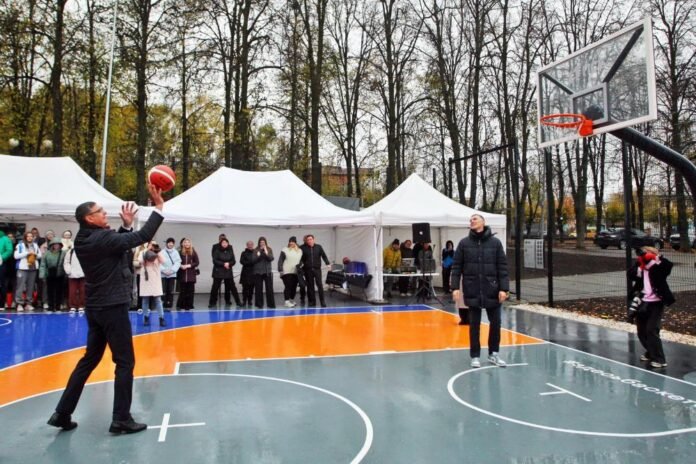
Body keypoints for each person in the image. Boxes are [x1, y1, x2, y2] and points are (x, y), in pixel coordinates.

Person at [47, 184, 164, 434]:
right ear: (89, 218)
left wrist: (126, 225)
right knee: (125, 362)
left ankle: (62, 413)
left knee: (89, 359)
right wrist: (159, 208)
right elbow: (139, 239)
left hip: (96, 307)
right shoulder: (101, 237)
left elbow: (117, 247)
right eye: (100, 212)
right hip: (112, 307)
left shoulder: (84, 238)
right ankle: (121, 418)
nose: (104, 214)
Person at [451, 213, 509, 368]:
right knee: (474, 325)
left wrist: (504, 288)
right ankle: (475, 355)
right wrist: (455, 287)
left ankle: (493, 354)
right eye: (470, 219)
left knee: (496, 323)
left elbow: (502, 268)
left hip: (492, 289)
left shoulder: (495, 243)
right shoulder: (464, 243)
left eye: (475, 219)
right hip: (472, 288)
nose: (472, 221)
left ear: (483, 222)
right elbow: (456, 267)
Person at [628, 246, 675, 369]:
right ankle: (651, 352)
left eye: (647, 254)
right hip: (643, 302)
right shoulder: (641, 266)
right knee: (641, 331)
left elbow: (668, 267)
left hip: (656, 303)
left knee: (651, 330)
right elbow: (631, 274)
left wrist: (656, 258)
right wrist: (641, 264)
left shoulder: (658, 266)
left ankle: (660, 359)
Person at [209, 238, 242, 308]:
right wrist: (224, 264)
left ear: (227, 243)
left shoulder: (230, 250)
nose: (224, 244)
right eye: (223, 243)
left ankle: (238, 302)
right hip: (218, 272)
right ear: (221, 244)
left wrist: (229, 264)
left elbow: (233, 261)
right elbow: (214, 260)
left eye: (226, 243)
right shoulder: (217, 250)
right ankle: (212, 302)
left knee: (233, 287)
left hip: (228, 271)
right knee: (215, 288)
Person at [14, 231, 41, 311]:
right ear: (25, 237)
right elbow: (16, 256)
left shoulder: (35, 245)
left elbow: (40, 255)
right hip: (22, 268)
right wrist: (27, 253)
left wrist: (35, 255)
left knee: (31, 287)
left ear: (33, 237)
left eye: (31, 236)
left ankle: (28, 303)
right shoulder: (20, 245)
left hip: (33, 268)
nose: (30, 237)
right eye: (28, 236)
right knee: (20, 287)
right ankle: (19, 304)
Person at [300, 234, 330, 307]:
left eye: (311, 239)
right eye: (308, 240)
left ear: (314, 239)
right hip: (307, 270)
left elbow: (324, 256)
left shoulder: (318, 247)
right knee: (310, 286)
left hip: (317, 270)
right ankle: (312, 301)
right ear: (306, 241)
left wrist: (327, 263)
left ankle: (322, 301)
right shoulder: (303, 248)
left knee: (320, 285)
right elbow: (300, 258)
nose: (309, 241)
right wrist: (300, 265)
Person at [39, 237, 66, 312]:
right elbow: (43, 264)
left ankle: (58, 306)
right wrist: (42, 274)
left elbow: (66, 263)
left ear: (60, 245)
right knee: (49, 291)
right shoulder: (47, 253)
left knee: (59, 291)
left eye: (58, 244)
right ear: (52, 245)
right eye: (55, 244)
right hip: (49, 274)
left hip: (60, 274)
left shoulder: (63, 253)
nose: (56, 246)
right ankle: (51, 306)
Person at [278, 236, 302, 307]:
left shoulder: (300, 251)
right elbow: (280, 260)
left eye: (293, 241)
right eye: (290, 241)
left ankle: (291, 299)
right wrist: (280, 270)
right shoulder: (285, 249)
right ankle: (286, 301)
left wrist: (300, 265)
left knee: (294, 287)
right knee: (288, 286)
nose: (291, 243)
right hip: (286, 271)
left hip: (295, 272)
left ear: (295, 242)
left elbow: (301, 260)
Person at [176, 238, 199, 310]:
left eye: (188, 242)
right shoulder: (179, 252)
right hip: (182, 274)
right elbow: (176, 261)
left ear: (190, 244)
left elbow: (197, 262)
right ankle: (181, 304)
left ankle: (189, 305)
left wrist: (189, 265)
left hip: (191, 275)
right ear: (183, 244)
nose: (187, 244)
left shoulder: (193, 252)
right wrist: (181, 266)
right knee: (182, 291)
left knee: (190, 291)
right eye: (185, 242)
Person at [253, 237, 275, 308]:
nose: (262, 243)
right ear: (259, 243)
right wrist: (258, 256)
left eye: (263, 242)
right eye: (261, 242)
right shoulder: (256, 250)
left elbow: (271, 258)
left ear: (265, 242)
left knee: (269, 289)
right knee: (258, 289)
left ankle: (271, 304)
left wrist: (266, 252)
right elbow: (253, 260)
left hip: (267, 272)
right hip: (258, 272)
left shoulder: (269, 249)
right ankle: (259, 304)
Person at [63, 243, 86, 312]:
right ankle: (72, 306)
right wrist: (68, 271)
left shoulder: (85, 250)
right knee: (72, 291)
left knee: (83, 291)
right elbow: (66, 262)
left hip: (83, 274)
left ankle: (81, 305)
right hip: (72, 274)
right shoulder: (71, 251)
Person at [160, 238, 181, 309]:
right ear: (167, 243)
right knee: (163, 289)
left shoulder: (176, 252)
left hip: (172, 274)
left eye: (172, 243)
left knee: (170, 290)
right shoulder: (162, 252)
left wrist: (172, 271)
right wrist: (164, 270)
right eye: (169, 242)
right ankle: (163, 303)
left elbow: (178, 262)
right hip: (163, 274)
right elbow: (159, 262)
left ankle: (169, 303)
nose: (170, 244)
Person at [239, 240, 256, 307]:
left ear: (253, 245)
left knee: (251, 288)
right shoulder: (243, 253)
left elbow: (257, 261)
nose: (250, 245)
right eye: (249, 244)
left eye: (251, 244)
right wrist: (251, 262)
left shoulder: (255, 252)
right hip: (245, 273)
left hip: (253, 273)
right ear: (247, 245)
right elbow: (242, 261)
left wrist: (249, 262)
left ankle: (250, 301)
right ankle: (244, 301)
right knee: (245, 288)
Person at [0, 230, 14, 310]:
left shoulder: (5, 239)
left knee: (2, 284)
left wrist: (1, 257)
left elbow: (9, 250)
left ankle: (1, 303)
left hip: (2, 264)